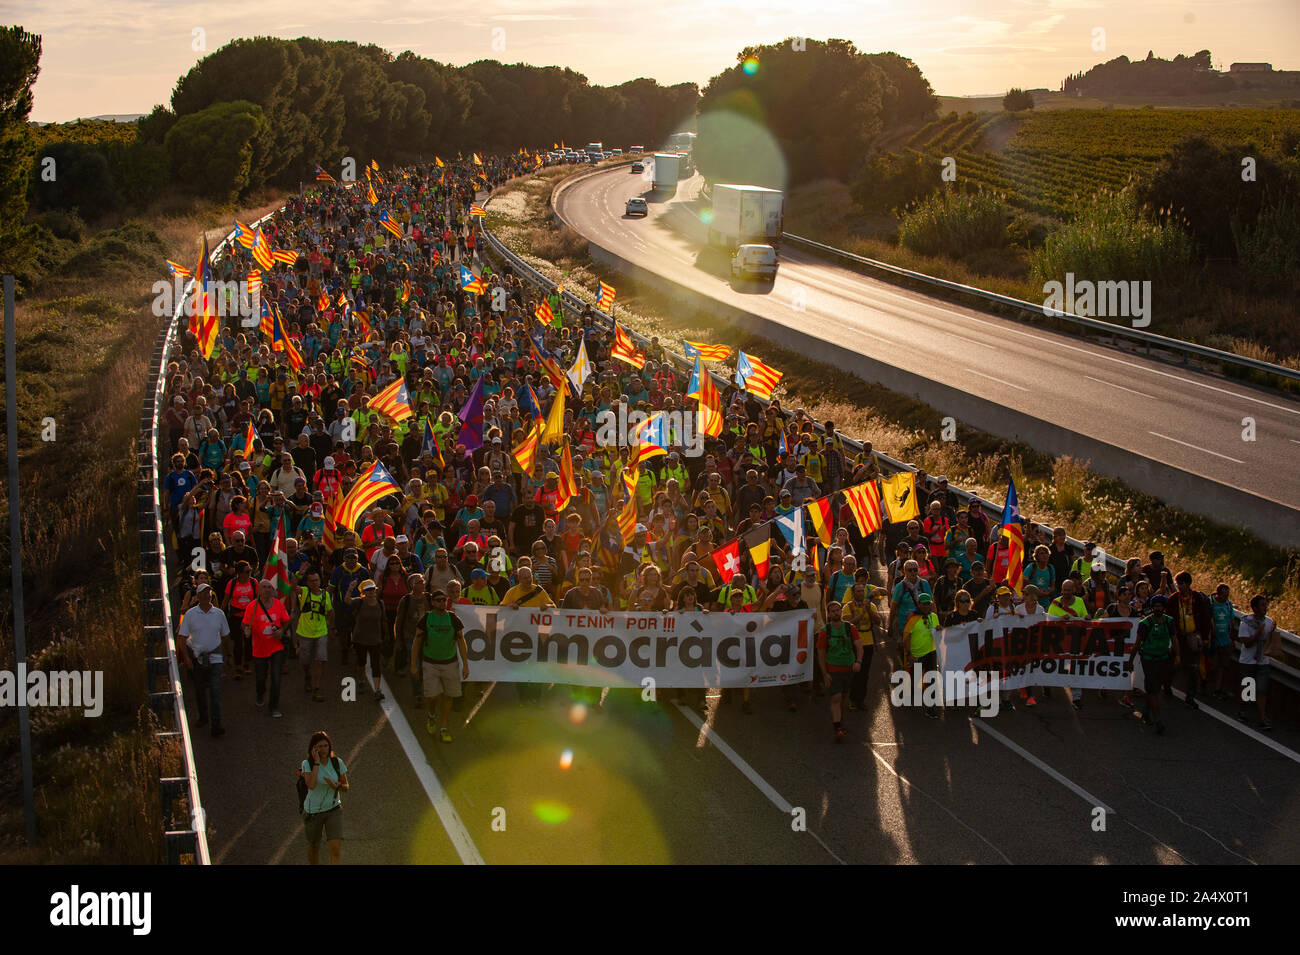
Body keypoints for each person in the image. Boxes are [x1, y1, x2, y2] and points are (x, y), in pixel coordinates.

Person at [412, 589, 470, 742]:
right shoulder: (426, 619)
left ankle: (444, 727)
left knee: (448, 696)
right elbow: (417, 641)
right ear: (432, 602)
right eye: (438, 600)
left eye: (444, 600)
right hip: (430, 662)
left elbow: (461, 641)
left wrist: (465, 664)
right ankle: (431, 715)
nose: (442, 603)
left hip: (449, 663)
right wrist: (413, 664)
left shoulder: (453, 618)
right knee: (432, 696)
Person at [177, 582, 231, 736]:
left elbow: (226, 635)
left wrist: (225, 653)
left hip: (215, 658)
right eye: (203, 593)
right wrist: (186, 658)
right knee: (200, 690)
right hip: (197, 658)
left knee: (215, 690)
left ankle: (216, 723)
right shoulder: (190, 614)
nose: (207, 595)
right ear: (198, 596)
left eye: (209, 592)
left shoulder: (219, 614)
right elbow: (182, 637)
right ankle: (203, 716)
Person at [1129, 593, 1179, 735]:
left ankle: (1145, 712)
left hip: (1163, 659)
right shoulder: (1145, 623)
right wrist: (1130, 661)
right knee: (1152, 689)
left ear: (1164, 607)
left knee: (1155, 688)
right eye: (1155, 606)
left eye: (1160, 606)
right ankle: (1157, 719)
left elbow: (1174, 640)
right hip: (1149, 659)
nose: (1158, 608)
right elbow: (1137, 644)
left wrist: (1178, 656)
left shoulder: (1169, 621)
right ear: (1152, 607)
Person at [242, 579, 292, 718]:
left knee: (276, 677)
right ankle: (260, 693)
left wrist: (281, 630)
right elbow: (245, 624)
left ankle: (273, 706)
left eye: (269, 587)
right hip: (259, 649)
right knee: (261, 677)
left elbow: (287, 621)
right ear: (259, 590)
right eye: (264, 587)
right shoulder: (252, 607)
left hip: (277, 647)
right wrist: (247, 630)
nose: (267, 589)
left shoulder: (278, 605)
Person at [816, 600, 862, 742]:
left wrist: (858, 661)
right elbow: (821, 654)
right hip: (833, 669)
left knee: (843, 697)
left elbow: (859, 646)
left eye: (838, 610)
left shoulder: (850, 628)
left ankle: (840, 722)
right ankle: (837, 727)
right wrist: (825, 674)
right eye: (833, 611)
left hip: (848, 669)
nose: (836, 613)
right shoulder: (825, 631)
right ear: (828, 614)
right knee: (835, 698)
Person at [301, 731, 348, 865]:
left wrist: (338, 786)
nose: (323, 749)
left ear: (330, 747)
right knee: (314, 846)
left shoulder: (337, 762)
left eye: (325, 746)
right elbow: (311, 785)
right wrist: (316, 763)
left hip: (334, 809)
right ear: (313, 749)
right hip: (313, 812)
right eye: (319, 746)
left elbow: (346, 786)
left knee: (335, 849)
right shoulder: (307, 764)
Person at [1165, 571, 1210, 711]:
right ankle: (1167, 685)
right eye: (1178, 584)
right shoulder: (1173, 599)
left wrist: (1205, 637)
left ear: (1187, 584)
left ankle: (1190, 697)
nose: (1179, 586)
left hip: (1193, 637)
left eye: (1181, 584)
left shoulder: (1197, 598)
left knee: (1194, 668)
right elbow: (1168, 618)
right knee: (1174, 664)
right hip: (1178, 638)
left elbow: (1204, 618)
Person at [1236, 595, 1278, 730]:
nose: (1264, 608)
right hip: (1248, 661)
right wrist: (1257, 633)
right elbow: (1246, 643)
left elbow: (1271, 642)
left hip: (1262, 661)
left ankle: (1262, 718)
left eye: (1265, 605)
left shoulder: (1270, 622)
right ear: (1254, 608)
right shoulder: (1246, 623)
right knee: (1248, 690)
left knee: (1261, 690)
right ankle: (1242, 710)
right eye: (1262, 605)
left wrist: (1271, 633)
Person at [294, 570, 333, 702]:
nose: (314, 583)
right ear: (307, 583)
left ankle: (317, 688)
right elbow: (292, 587)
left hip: (321, 632)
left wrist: (329, 624)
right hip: (305, 633)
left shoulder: (325, 594)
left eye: (316, 580)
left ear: (320, 581)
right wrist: (300, 573)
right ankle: (307, 676)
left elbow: (330, 611)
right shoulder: (304, 592)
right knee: (305, 661)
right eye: (311, 581)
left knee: (320, 660)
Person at [902, 593, 942, 718]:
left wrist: (940, 629)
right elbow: (906, 637)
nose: (926, 606)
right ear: (918, 604)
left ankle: (930, 708)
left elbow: (936, 632)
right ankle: (907, 695)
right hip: (917, 654)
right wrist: (909, 654)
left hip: (931, 652)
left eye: (928, 603)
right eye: (924, 604)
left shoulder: (934, 616)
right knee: (915, 680)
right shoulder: (912, 618)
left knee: (932, 680)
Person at [348, 579, 386, 700]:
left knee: (376, 665)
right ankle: (361, 680)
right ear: (363, 592)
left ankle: (377, 690)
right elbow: (347, 601)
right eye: (368, 590)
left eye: (372, 589)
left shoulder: (380, 603)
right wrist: (350, 589)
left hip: (375, 639)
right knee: (361, 662)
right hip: (360, 639)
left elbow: (384, 620)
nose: (371, 592)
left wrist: (387, 635)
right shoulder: (359, 602)